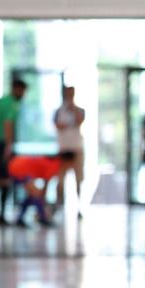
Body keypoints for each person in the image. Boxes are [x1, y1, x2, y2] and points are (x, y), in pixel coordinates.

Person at [0, 77, 28, 225]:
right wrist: (8, 147)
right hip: (1, 145)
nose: (23, 95)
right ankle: (1, 215)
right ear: (17, 89)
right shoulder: (12, 104)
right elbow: (8, 124)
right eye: (22, 91)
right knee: (5, 180)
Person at [53, 85, 86, 217]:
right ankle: (59, 206)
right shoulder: (58, 112)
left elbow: (79, 121)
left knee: (79, 179)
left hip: (77, 148)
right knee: (60, 180)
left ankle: (79, 207)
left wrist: (73, 109)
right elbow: (58, 126)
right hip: (63, 149)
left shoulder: (80, 110)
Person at [7, 155, 61, 228]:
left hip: (16, 165)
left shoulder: (53, 163)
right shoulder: (55, 165)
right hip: (20, 169)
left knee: (32, 196)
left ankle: (20, 219)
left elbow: (44, 187)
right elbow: (45, 186)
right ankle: (42, 218)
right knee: (36, 195)